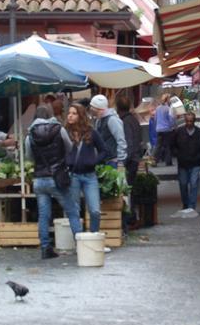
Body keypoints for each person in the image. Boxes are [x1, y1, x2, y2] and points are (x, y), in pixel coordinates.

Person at [25, 105, 81, 259]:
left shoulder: (30, 134)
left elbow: (29, 157)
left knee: (44, 215)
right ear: (50, 115)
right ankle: (81, 245)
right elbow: (69, 148)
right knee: (72, 211)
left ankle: (45, 248)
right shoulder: (59, 129)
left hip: (39, 179)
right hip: (57, 177)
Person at [64, 102, 109, 233]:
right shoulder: (65, 133)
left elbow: (104, 150)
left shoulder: (91, 132)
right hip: (72, 176)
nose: (70, 116)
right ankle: (79, 240)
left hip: (90, 176)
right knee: (74, 211)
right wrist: (66, 162)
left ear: (81, 115)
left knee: (95, 210)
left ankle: (94, 238)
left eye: (74, 113)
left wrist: (94, 161)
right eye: (69, 113)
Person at [171, 112, 200, 217]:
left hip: (196, 162)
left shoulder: (199, 133)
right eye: (187, 121)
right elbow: (173, 145)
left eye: (191, 121)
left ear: (194, 121)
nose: (189, 123)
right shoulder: (179, 132)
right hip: (183, 163)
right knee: (183, 184)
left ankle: (192, 206)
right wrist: (177, 154)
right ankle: (186, 203)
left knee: (194, 183)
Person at [89, 94, 126, 168]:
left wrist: (121, 162)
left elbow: (121, 140)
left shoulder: (112, 120)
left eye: (93, 108)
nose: (91, 110)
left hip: (114, 161)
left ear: (99, 109)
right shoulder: (99, 120)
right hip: (105, 160)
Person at [116, 92, 142, 186]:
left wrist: (123, 162)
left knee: (126, 188)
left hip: (130, 160)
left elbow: (129, 142)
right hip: (134, 158)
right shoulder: (134, 120)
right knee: (130, 186)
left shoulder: (125, 122)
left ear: (118, 108)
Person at [152, 93, 175, 165]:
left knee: (158, 146)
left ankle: (154, 161)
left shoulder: (158, 108)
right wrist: (172, 126)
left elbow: (155, 119)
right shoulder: (168, 108)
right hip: (167, 129)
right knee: (167, 146)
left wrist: (157, 126)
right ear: (167, 100)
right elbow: (171, 119)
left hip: (159, 129)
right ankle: (168, 162)